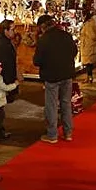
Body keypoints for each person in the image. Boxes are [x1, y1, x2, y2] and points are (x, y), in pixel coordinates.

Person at [34, 14, 78, 143]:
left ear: (42, 27)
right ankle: (68, 132)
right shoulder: (66, 35)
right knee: (66, 103)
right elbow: (74, 51)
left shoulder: (44, 40)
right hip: (67, 74)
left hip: (51, 75)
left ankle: (52, 134)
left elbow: (37, 60)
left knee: (51, 105)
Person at [79, 11, 96, 83]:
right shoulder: (91, 22)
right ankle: (89, 77)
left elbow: (92, 35)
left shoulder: (88, 24)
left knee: (88, 62)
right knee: (89, 62)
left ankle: (89, 77)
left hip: (88, 45)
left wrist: (84, 36)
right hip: (89, 45)